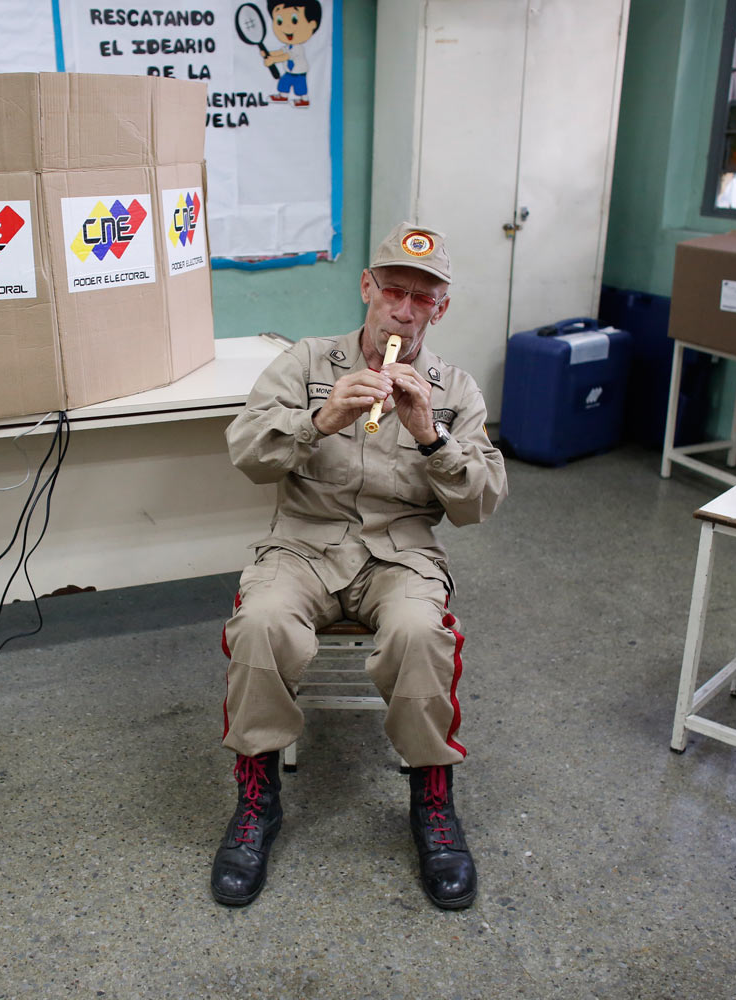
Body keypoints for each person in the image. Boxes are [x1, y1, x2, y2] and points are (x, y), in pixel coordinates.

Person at [213, 222, 508, 909]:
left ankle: (431, 798)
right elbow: (247, 454)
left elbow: (480, 504)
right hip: (302, 544)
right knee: (259, 623)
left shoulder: (455, 389)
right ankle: (258, 798)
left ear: (441, 309)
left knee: (418, 635)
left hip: (402, 553)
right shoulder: (307, 361)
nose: (404, 311)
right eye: (394, 293)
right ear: (367, 288)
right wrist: (319, 420)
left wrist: (430, 436)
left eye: (422, 300)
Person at [263, 1, 322, 108]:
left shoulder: (298, 48)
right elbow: (281, 52)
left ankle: (304, 100)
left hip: (299, 73)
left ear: (312, 25)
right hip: (290, 72)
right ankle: (283, 96)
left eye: (294, 20)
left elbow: (287, 56)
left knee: (300, 88)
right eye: (279, 21)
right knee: (284, 83)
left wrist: (273, 60)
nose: (286, 27)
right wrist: (268, 54)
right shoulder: (288, 46)